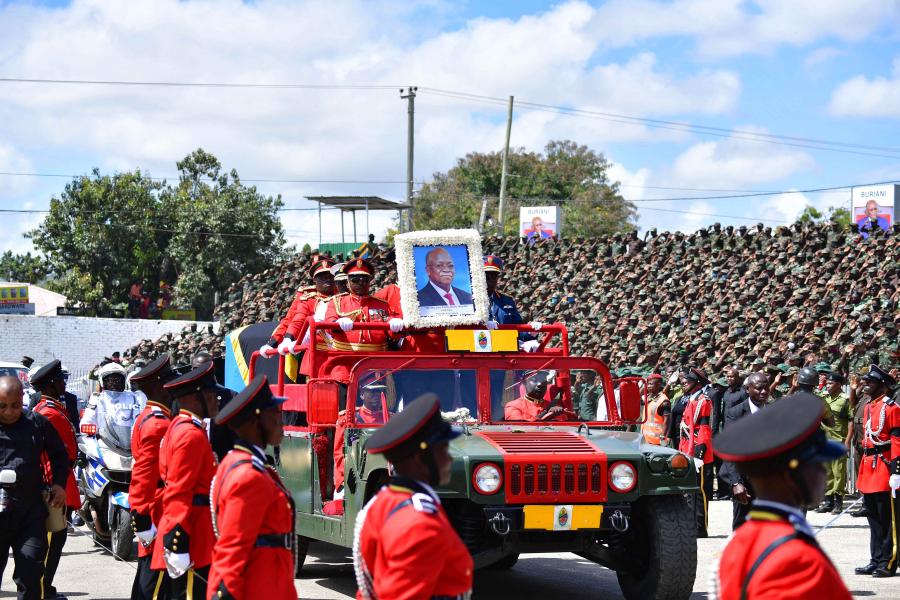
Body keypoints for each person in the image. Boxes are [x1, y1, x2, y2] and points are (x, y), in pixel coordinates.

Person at [710, 392, 851, 600]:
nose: (823, 472)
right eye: (816, 463)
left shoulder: (741, 540)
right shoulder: (795, 559)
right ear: (792, 471)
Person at [353, 393, 473, 599]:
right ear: (420, 457)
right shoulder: (418, 523)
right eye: (443, 449)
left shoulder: (384, 503)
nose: (449, 458)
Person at [207, 375, 295, 600]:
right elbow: (232, 547)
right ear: (257, 420)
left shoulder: (238, 461)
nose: (281, 420)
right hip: (259, 586)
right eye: (275, 413)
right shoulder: (249, 476)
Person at [152, 361, 220, 599]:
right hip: (192, 536)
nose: (217, 399)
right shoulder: (190, 435)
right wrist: (177, 541)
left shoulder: (181, 427)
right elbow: (179, 492)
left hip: (194, 530)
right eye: (211, 394)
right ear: (194, 399)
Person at [0, 376, 69, 600]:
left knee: (31, 577)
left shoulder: (37, 423)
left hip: (29, 514)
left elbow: (60, 455)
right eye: (2, 406)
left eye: (15, 405)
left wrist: (59, 484)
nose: (9, 411)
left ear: (23, 399)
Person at [127, 354, 177, 600]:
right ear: (159, 386)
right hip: (156, 507)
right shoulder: (158, 424)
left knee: (151, 577)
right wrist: (142, 516)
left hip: (153, 505)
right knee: (154, 580)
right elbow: (144, 476)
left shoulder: (149, 417)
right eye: (169, 380)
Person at [29, 360, 79, 600]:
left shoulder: (50, 407)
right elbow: (60, 452)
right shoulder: (49, 412)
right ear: (50, 384)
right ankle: (42, 590)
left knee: (54, 539)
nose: (64, 384)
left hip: (57, 478)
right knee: (51, 540)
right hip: (54, 481)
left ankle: (44, 588)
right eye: (60, 380)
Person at [323, 259, 403, 384]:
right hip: (345, 365)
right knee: (344, 402)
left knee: (377, 402)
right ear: (348, 282)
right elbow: (329, 323)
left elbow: (392, 331)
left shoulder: (381, 304)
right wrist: (337, 323)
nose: (360, 283)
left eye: (365, 280)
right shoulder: (337, 302)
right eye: (355, 280)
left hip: (375, 366)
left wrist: (394, 324)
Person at [854, 364, 900, 578]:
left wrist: (896, 470)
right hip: (869, 465)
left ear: (882, 385)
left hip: (885, 466)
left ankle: (888, 561)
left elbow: (897, 440)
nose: (865, 384)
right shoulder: (869, 406)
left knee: (887, 518)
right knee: (873, 517)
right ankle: (875, 559)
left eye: (869, 382)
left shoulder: (892, 408)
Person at [718, 372, 770, 530]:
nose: (764, 392)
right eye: (759, 388)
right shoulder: (735, 414)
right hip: (744, 480)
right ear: (748, 389)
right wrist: (736, 483)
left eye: (766, 388)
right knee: (742, 525)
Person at [262, 257, 335, 358]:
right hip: (310, 348)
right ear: (315, 280)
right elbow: (292, 320)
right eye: (322, 277)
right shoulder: (308, 298)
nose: (327, 279)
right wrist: (274, 342)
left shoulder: (345, 296)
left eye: (330, 276)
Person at [678, 367, 713, 537]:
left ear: (697, 384)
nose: (684, 384)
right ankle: (692, 524)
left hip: (698, 449)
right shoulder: (691, 400)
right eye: (683, 381)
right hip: (687, 447)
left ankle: (700, 526)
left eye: (688, 382)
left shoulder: (703, 401)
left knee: (699, 490)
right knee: (690, 490)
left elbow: (704, 428)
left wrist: (699, 452)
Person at [483, 255, 541, 352]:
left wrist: (531, 332)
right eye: (486, 276)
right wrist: (482, 325)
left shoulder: (506, 300)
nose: (490, 280)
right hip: (479, 354)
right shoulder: (467, 300)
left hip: (505, 354)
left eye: (494, 276)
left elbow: (518, 329)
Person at [816, 372, 852, 515]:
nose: (828, 386)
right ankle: (828, 501)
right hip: (825, 441)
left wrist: (848, 441)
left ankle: (838, 502)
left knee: (839, 473)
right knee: (827, 472)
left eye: (831, 383)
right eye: (827, 383)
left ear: (839, 385)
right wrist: (820, 385)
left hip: (838, 441)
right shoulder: (824, 397)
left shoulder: (845, 400)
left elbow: (850, 421)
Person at [504, 371, 573, 421]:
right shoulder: (513, 406)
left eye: (543, 380)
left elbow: (564, 428)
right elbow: (518, 429)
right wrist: (546, 413)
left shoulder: (552, 407)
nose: (540, 384)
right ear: (524, 382)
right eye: (535, 380)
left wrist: (558, 413)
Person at [641, 374, 670, 446]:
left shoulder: (664, 401)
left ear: (659, 384)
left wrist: (662, 439)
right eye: (647, 384)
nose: (648, 386)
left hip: (657, 442)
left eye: (651, 384)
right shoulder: (648, 398)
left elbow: (667, 421)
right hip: (645, 440)